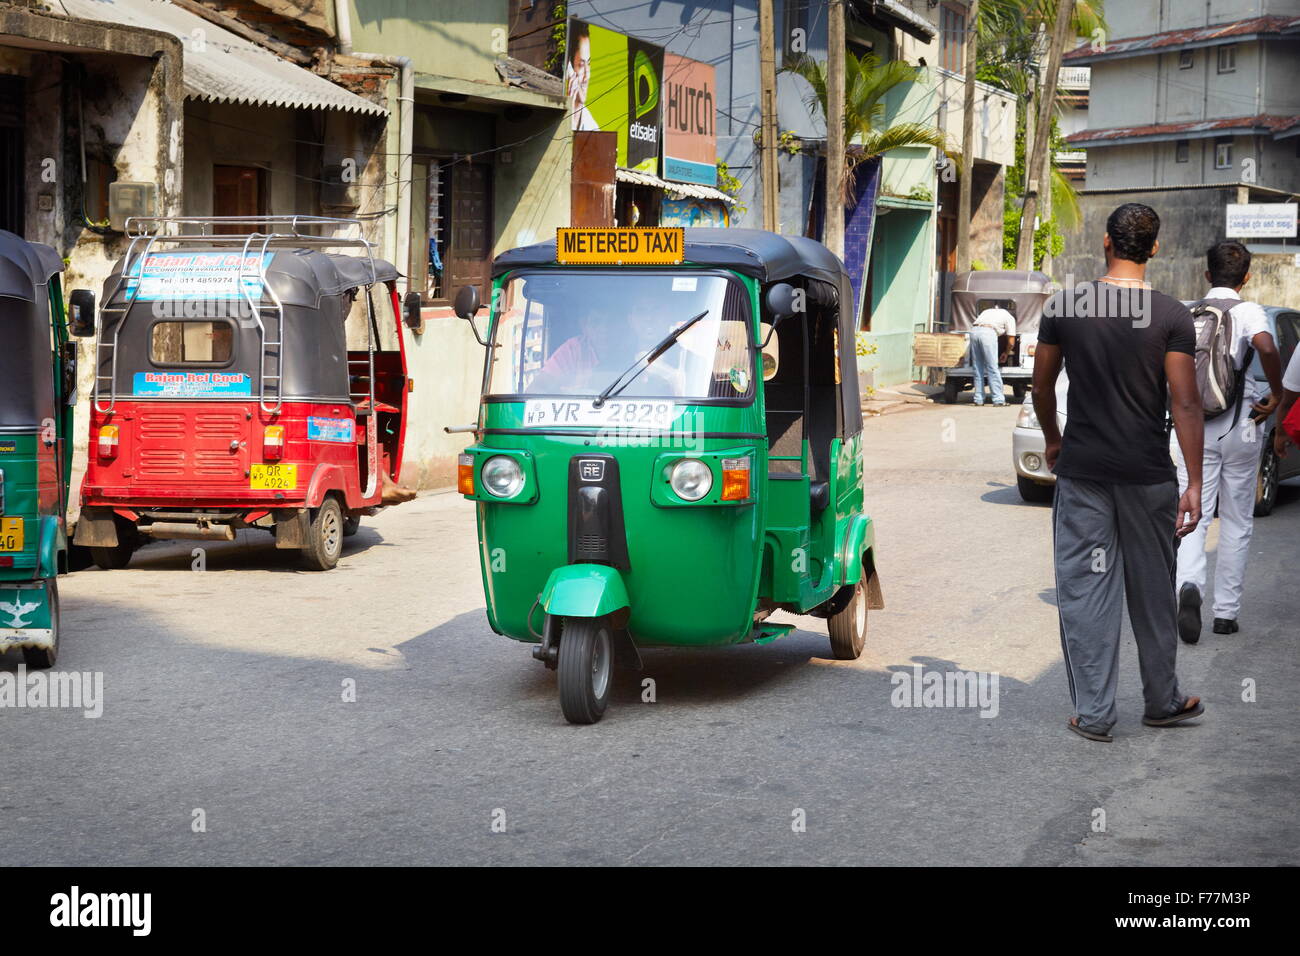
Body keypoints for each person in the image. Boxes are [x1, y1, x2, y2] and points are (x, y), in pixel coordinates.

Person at [1032, 202, 1205, 743]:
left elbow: (1040, 388)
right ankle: (1163, 700)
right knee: (1154, 588)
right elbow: (1185, 404)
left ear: (1106, 242)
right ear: (1154, 249)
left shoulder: (1066, 306)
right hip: (1149, 474)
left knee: (1086, 591)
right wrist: (1195, 482)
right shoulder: (1173, 315)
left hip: (1084, 471)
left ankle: (1096, 713)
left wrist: (1054, 440)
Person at [1173, 241, 1285, 643]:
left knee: (1193, 514)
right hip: (1240, 422)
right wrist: (1277, 391)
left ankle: (1188, 585)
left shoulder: (1187, 310)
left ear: (1207, 275)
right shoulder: (1249, 310)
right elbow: (1267, 347)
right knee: (1237, 519)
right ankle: (1225, 613)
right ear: (1247, 277)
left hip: (1190, 426)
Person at [969, 301, 1015, 405]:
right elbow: (1011, 342)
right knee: (992, 368)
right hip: (988, 332)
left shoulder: (987, 311)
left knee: (977, 368)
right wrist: (1006, 353)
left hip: (974, 331)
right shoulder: (1010, 317)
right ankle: (998, 400)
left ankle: (978, 399)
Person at [565, 23, 599, 132]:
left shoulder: (593, 129)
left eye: (588, 63)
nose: (586, 76)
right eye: (581, 64)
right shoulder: (555, 117)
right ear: (569, 69)